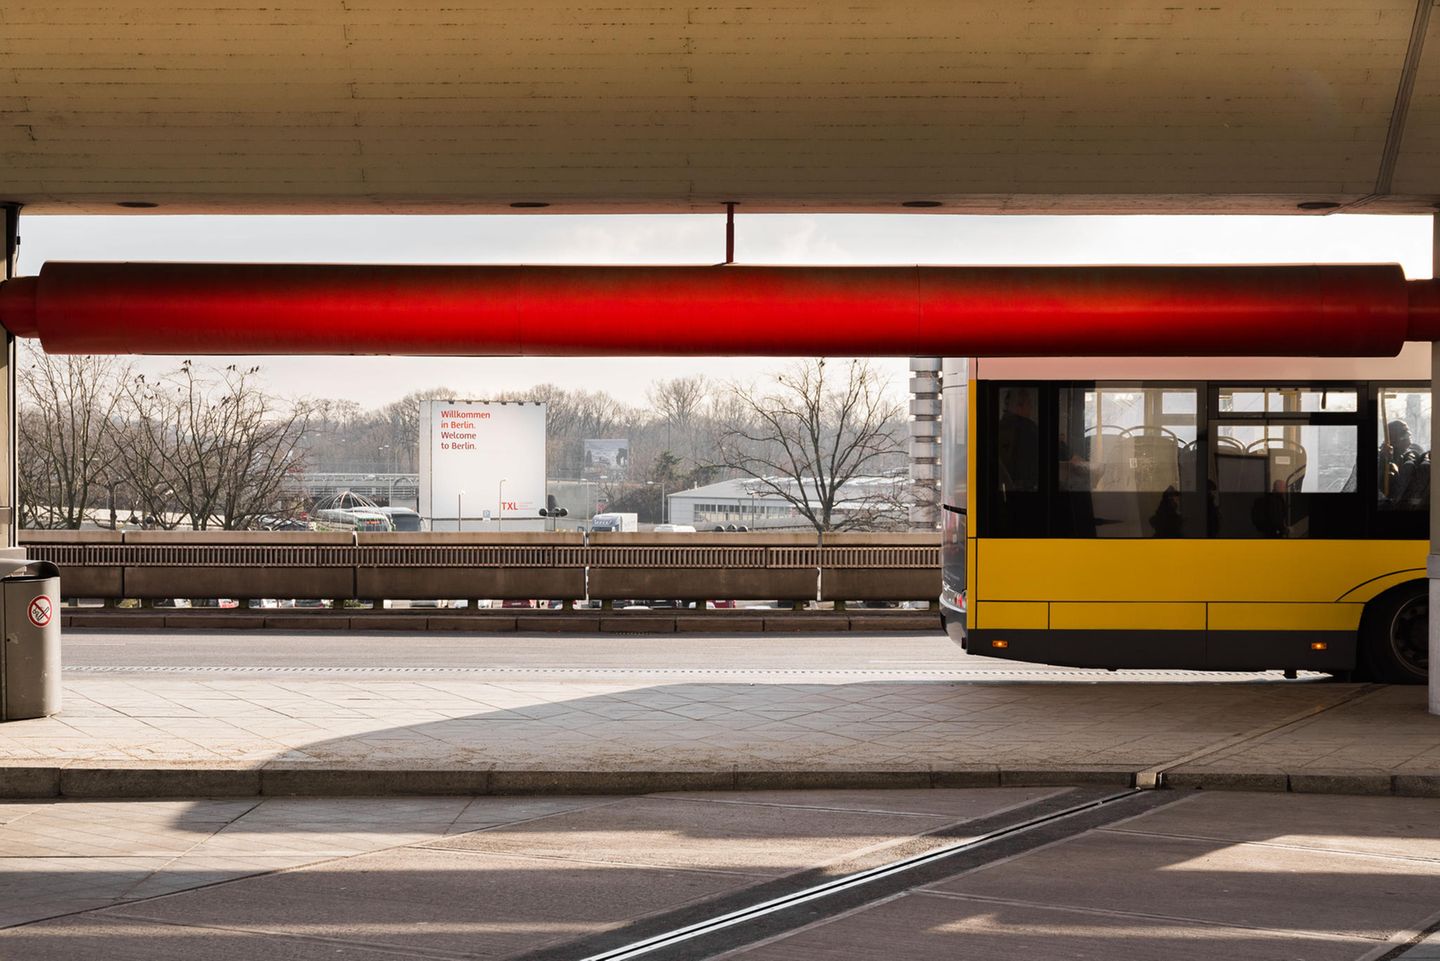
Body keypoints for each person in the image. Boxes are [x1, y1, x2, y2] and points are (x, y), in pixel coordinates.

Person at [996, 387, 1038, 493]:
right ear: (1019, 406)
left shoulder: (999, 427)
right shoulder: (1029, 428)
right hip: (1025, 488)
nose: (1031, 408)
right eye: (1029, 404)